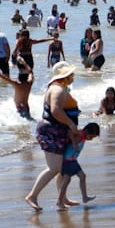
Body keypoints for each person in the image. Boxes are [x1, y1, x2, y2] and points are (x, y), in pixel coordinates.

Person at [25, 61, 81, 211]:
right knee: (54, 168)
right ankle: (32, 195)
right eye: (71, 74)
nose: (73, 76)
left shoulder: (60, 88)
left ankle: (62, 199)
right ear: (66, 76)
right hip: (52, 131)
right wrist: (71, 124)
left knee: (62, 167)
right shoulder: (57, 90)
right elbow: (56, 111)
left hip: (58, 131)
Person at [56, 122, 101, 210]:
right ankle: (59, 201)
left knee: (82, 176)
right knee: (67, 180)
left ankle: (84, 197)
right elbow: (69, 132)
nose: (91, 139)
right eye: (91, 137)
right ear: (87, 132)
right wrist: (74, 143)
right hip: (67, 160)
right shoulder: (80, 134)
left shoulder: (83, 136)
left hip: (73, 160)